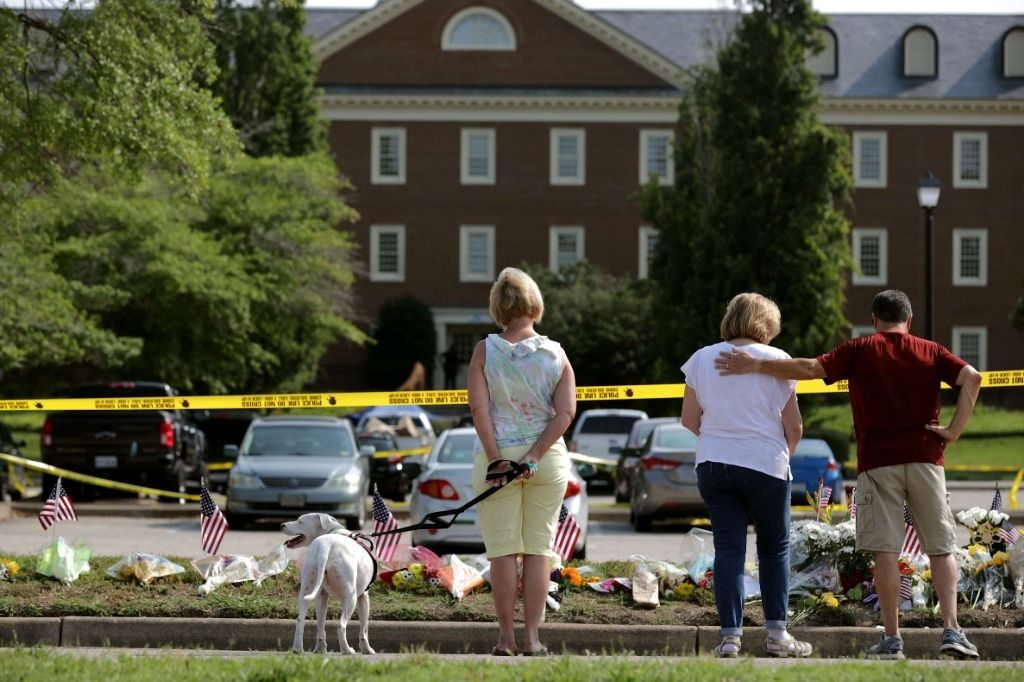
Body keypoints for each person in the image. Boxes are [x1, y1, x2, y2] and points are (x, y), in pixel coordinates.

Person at [717, 289, 982, 660]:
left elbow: (810, 369)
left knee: (886, 550)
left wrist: (756, 365)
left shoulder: (860, 349)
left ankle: (892, 640)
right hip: (926, 459)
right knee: (940, 547)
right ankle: (952, 630)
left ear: (875, 320)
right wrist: (953, 431)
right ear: (910, 320)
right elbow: (973, 378)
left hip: (877, 463)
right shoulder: (931, 350)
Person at [680, 293, 812, 659]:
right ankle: (777, 635)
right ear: (766, 325)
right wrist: (784, 453)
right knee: (773, 549)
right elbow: (794, 425)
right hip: (765, 463)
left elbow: (689, 420)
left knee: (728, 549)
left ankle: (729, 639)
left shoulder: (701, 359)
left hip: (713, 463)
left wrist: (721, 438)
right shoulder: (777, 360)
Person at [467, 266, 576, 657]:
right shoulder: (556, 353)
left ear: (499, 306)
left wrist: (497, 459)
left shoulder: (485, 350)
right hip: (545, 461)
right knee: (538, 550)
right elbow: (564, 414)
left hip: (497, 459)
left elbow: (479, 410)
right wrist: (533, 455)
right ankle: (532, 639)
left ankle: (505, 639)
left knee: (502, 550)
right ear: (534, 303)